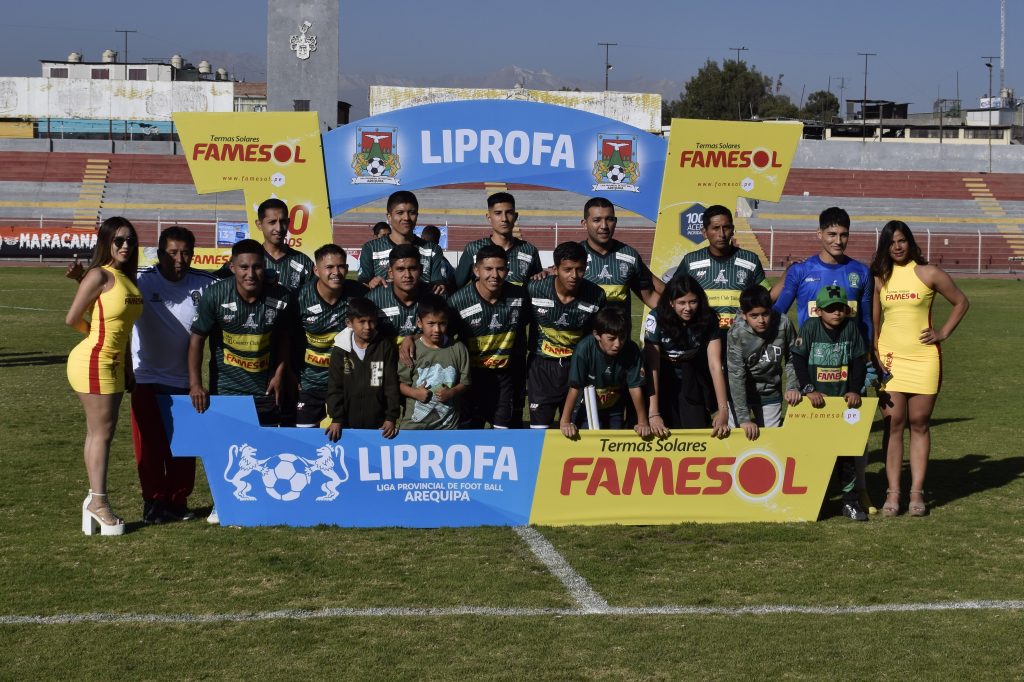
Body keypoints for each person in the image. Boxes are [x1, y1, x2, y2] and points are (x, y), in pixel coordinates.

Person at [771, 206, 875, 511]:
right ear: (819, 234)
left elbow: (866, 320)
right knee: (810, 435)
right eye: (831, 234)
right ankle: (808, 492)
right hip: (812, 371)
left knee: (854, 433)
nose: (838, 240)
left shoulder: (861, 272)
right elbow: (778, 315)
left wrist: (867, 361)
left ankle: (861, 490)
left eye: (843, 234)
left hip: (850, 367)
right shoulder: (802, 271)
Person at [871, 220, 969, 517]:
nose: (897, 247)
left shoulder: (929, 273)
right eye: (891, 242)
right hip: (890, 360)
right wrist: (875, 356)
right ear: (884, 247)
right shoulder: (879, 278)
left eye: (901, 241)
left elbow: (961, 302)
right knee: (893, 424)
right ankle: (893, 493)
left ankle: (916, 493)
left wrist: (942, 333)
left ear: (910, 242)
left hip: (924, 359)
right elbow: (874, 324)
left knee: (920, 424)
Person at [129, 226, 216, 524]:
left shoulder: (205, 284)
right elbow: (107, 284)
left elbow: (240, 283)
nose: (179, 259)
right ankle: (153, 502)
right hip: (145, 377)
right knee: (150, 447)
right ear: (160, 252)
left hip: (185, 382)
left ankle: (178, 502)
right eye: (172, 252)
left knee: (183, 446)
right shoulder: (141, 281)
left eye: (185, 253)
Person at [65, 217, 143, 535]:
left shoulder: (126, 278)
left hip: (112, 363)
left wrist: (127, 367)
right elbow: (72, 319)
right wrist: (97, 337)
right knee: (103, 434)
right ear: (106, 242)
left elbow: (123, 332)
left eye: (130, 240)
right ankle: (99, 503)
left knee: (98, 433)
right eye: (119, 240)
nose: (126, 245)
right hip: (95, 361)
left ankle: (93, 500)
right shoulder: (100, 275)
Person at [188, 239, 298, 428]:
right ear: (232, 267)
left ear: (264, 267)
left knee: (263, 451)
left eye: (256, 267)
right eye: (244, 267)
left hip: (265, 389)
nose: (250, 274)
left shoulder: (281, 296)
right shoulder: (215, 294)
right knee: (229, 449)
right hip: (226, 389)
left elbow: (284, 338)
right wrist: (195, 384)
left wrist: (279, 374)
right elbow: (197, 340)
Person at [792, 284, 869, 521]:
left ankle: (850, 502)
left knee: (846, 455)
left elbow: (858, 362)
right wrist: (809, 389)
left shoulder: (851, 329)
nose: (836, 313)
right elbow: (798, 359)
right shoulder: (810, 327)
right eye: (830, 308)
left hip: (842, 403)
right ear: (818, 311)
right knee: (815, 454)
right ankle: (815, 501)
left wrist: (855, 389)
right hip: (816, 404)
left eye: (840, 308)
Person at [526, 241, 607, 428]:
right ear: (555, 269)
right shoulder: (534, 288)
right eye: (567, 269)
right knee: (539, 430)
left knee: (573, 428)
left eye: (579, 269)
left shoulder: (596, 295)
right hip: (541, 368)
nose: (574, 275)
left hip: (576, 366)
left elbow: (595, 337)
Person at [447, 244, 528, 428]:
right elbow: (444, 338)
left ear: (507, 270)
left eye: (500, 269)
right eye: (488, 269)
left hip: (503, 377)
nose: (495, 275)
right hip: (470, 378)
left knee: (502, 430)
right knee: (470, 432)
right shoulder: (458, 301)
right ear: (476, 270)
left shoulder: (520, 296)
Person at [643, 276, 730, 436]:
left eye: (693, 302)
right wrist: (653, 412)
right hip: (662, 373)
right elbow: (652, 366)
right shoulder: (656, 318)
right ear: (671, 302)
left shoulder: (708, 317)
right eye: (682, 303)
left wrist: (723, 410)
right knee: (662, 427)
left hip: (690, 373)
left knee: (695, 426)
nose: (688, 308)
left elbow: (715, 365)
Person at [294, 245, 368, 428]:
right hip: (309, 383)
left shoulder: (360, 294)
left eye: (341, 266)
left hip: (348, 383)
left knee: (351, 439)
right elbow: (289, 341)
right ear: (316, 270)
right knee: (304, 440)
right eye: (329, 267)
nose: (336, 272)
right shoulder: (299, 299)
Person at [559, 307, 654, 438]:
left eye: (622, 337)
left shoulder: (631, 349)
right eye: (611, 338)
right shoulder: (584, 349)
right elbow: (575, 386)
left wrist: (643, 422)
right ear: (597, 335)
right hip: (586, 408)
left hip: (615, 408)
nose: (617, 344)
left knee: (613, 443)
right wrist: (565, 421)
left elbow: (635, 387)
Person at [671, 205, 766, 328]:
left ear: (732, 230)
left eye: (726, 228)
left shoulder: (750, 259)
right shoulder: (691, 261)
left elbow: (766, 296)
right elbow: (673, 294)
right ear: (704, 232)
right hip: (703, 336)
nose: (721, 234)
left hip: (740, 336)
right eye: (715, 228)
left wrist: (788, 275)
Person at [727, 286, 801, 440]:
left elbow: (794, 357)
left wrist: (792, 386)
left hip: (770, 392)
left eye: (765, 314)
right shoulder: (736, 333)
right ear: (744, 315)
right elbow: (736, 375)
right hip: (742, 394)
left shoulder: (784, 323)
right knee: (737, 440)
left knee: (770, 441)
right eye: (754, 316)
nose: (761, 320)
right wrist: (744, 418)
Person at [325, 297, 400, 441]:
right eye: (362, 322)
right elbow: (335, 386)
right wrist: (337, 418)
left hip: (379, 425)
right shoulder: (340, 349)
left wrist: (391, 417)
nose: (367, 327)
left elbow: (391, 385)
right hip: (346, 424)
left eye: (371, 321)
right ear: (349, 323)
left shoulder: (384, 346)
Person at [579, 196, 662, 319]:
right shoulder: (575, 255)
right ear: (584, 224)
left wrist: (677, 315)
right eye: (597, 220)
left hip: (619, 337)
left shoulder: (629, 256)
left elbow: (650, 296)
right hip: (585, 336)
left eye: (609, 219)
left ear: (615, 221)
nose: (604, 226)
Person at [398, 294, 471, 430]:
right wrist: (415, 393)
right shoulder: (411, 349)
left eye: (441, 323)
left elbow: (466, 382)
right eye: (431, 324)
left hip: (447, 427)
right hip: (414, 426)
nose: (437, 330)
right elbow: (400, 384)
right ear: (419, 322)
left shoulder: (458, 348)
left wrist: (452, 392)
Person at [357, 191, 449, 294]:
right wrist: (370, 284)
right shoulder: (371, 248)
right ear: (389, 216)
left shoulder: (432, 250)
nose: (406, 218)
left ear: (417, 215)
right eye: (400, 213)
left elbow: (439, 288)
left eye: (412, 213)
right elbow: (362, 286)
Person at [215, 198, 313, 292]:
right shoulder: (243, 259)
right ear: (259, 224)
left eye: (283, 222)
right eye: (272, 222)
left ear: (288, 223)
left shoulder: (303, 262)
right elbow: (214, 285)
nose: (278, 228)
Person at [454, 192, 543, 288]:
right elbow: (456, 286)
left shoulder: (529, 250)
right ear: (489, 217)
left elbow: (538, 289)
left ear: (516, 216)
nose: (504, 219)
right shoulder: (473, 249)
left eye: (508, 213)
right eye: (498, 213)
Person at [366, 243, 432, 345]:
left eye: (413, 268)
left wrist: (414, 338)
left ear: (421, 270)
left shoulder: (434, 296)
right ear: (391, 272)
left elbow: (445, 335)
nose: (407, 275)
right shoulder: (373, 299)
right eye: (400, 269)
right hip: (384, 357)